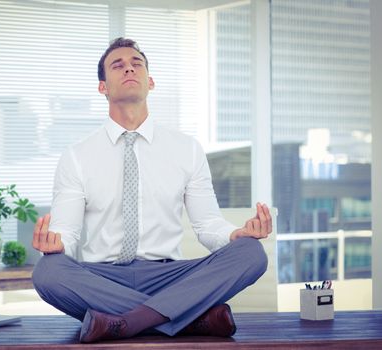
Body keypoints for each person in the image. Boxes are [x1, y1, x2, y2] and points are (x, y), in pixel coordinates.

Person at [31, 37, 272, 343]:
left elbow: (207, 225)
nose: (129, 69)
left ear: (151, 82)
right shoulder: (77, 156)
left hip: (170, 277)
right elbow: (67, 231)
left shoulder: (187, 149)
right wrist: (56, 243)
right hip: (102, 277)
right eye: (117, 66)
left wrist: (235, 234)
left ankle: (127, 322)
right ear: (103, 87)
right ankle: (189, 320)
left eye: (137, 64)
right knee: (47, 272)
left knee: (251, 252)